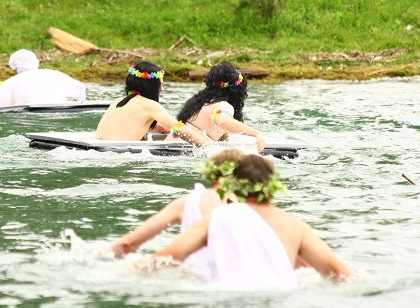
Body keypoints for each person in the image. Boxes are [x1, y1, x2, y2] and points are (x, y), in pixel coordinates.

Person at [152, 153, 351, 288]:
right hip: (282, 300)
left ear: (234, 186)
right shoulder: (294, 225)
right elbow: (339, 272)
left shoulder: (216, 219)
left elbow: (166, 257)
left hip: (223, 297)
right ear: (272, 186)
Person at [109, 148, 246, 278]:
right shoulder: (252, 208)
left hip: (194, 276)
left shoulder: (190, 201)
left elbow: (127, 243)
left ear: (211, 173)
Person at [95, 61, 213, 147]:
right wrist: (211, 147)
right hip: (119, 154)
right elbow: (181, 130)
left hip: (98, 148)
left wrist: (163, 129)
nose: (162, 89)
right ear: (150, 86)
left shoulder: (117, 101)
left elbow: (132, 126)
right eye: (160, 84)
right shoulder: (150, 105)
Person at [177, 62, 266, 152]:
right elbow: (223, 121)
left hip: (173, 142)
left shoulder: (198, 102)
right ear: (238, 91)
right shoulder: (223, 105)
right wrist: (257, 133)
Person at [0, 49, 86, 112]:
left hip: (30, 120)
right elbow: (81, 90)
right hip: (59, 116)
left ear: (14, 68)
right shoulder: (55, 75)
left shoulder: (13, 81)